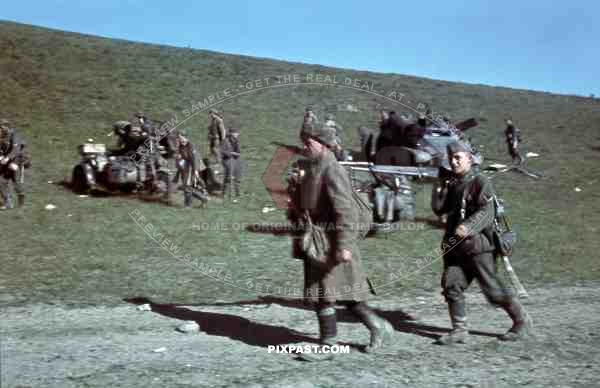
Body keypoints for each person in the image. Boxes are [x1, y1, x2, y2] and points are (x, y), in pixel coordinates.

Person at [289, 122, 393, 359]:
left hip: (333, 242)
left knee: (346, 296)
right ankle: (337, 341)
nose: (304, 145)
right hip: (317, 242)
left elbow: (346, 210)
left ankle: (367, 331)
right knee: (323, 294)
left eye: (309, 141)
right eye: (303, 141)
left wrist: (345, 245)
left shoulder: (332, 169)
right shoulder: (312, 166)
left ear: (323, 144)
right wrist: (295, 190)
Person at [431, 140, 533, 344]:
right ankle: (459, 330)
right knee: (451, 284)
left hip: (479, 247)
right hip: (455, 248)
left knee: (493, 290)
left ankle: (522, 321)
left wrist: (468, 227)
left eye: (458, 157)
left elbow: (488, 210)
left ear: (469, 158)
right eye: (451, 158)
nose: (453, 161)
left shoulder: (480, 181)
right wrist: (438, 186)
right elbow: (439, 209)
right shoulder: (453, 183)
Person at [0, 119, 29, 209]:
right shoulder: (1, 135)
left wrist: (8, 158)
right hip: (5, 161)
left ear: (7, 127)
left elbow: (15, 150)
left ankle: (21, 196)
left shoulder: (14, 135)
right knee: (2, 181)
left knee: (15, 181)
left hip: (16, 161)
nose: (1, 129)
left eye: (2, 127)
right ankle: (7, 202)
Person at [176, 130, 207, 207]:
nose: (180, 139)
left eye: (181, 137)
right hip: (186, 167)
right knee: (187, 186)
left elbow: (195, 159)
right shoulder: (181, 146)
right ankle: (203, 198)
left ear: (185, 137)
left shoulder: (191, 146)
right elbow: (183, 156)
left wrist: (195, 171)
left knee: (187, 186)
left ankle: (188, 205)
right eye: (179, 138)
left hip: (192, 167)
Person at [220, 127, 242, 200]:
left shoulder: (236, 141)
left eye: (237, 133)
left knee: (237, 176)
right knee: (228, 177)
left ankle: (237, 193)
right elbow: (222, 151)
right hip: (227, 160)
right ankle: (224, 193)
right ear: (231, 134)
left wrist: (234, 154)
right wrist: (231, 153)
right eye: (235, 133)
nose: (237, 134)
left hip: (236, 159)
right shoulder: (225, 141)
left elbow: (239, 152)